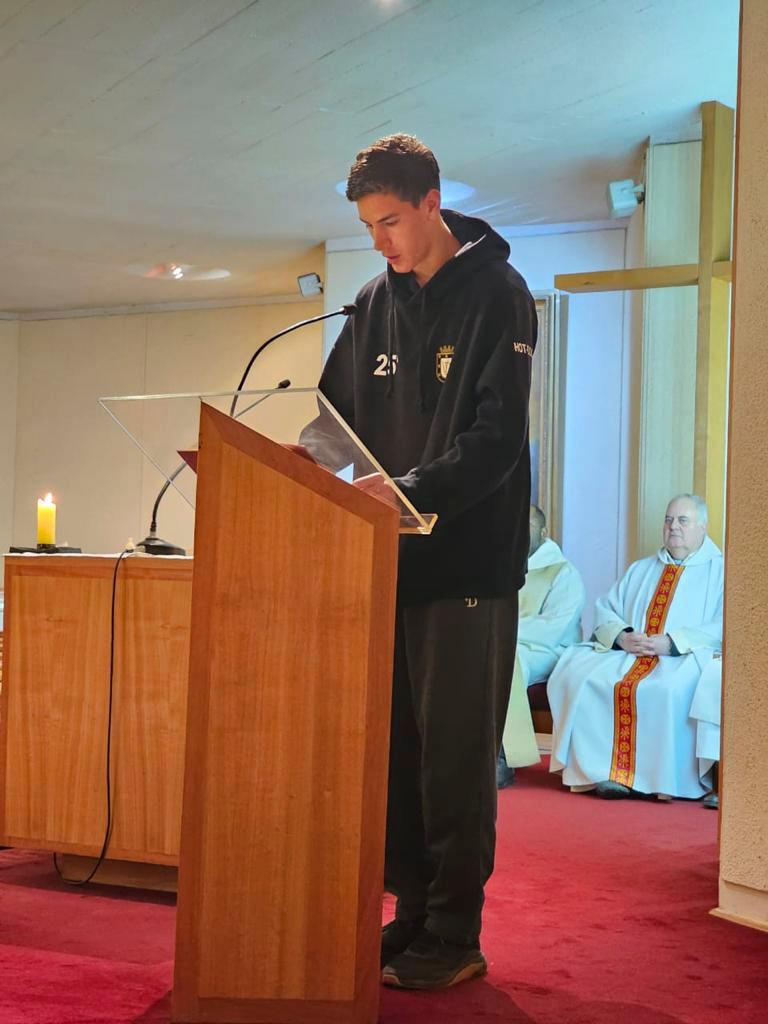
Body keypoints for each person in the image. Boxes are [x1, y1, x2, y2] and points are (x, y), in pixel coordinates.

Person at [315, 135, 536, 989]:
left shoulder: (500, 295)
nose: (380, 242)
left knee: (452, 757)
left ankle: (455, 930)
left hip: (468, 569)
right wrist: (305, 464)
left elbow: (496, 440)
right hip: (387, 567)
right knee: (398, 756)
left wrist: (406, 490)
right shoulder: (374, 302)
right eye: (368, 227)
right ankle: (411, 913)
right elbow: (332, 420)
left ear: (432, 204)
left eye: (390, 222)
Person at [547, 494, 723, 800]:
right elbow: (607, 609)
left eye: (683, 520)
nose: (673, 527)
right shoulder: (642, 568)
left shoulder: (720, 573)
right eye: (668, 520)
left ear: (703, 527)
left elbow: (725, 624)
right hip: (632, 653)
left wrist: (674, 642)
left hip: (684, 657)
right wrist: (622, 635)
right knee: (583, 677)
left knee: (669, 689)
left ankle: (661, 780)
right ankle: (604, 773)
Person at [497, 504, 585, 787]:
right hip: (507, 643)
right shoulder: (502, 565)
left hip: (551, 651)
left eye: (528, 526)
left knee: (509, 660)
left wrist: (502, 632)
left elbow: (554, 627)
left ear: (544, 532)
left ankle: (504, 756)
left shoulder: (563, 572)